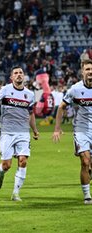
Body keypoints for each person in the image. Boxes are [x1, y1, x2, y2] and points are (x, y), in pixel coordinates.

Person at [0, 66, 39, 202]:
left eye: (21, 73)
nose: (19, 75)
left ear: (24, 76)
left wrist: (35, 130)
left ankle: (15, 193)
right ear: (11, 77)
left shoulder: (30, 95)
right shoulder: (5, 90)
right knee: (7, 165)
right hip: (7, 132)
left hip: (23, 132)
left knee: (23, 161)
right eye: (16, 73)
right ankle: (1, 172)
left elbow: (31, 114)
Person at [52, 59, 92, 205]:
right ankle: (87, 196)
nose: (90, 72)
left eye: (91, 70)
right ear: (82, 72)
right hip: (81, 130)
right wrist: (57, 128)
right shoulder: (75, 89)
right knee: (85, 161)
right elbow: (61, 107)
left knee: (90, 165)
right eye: (87, 69)